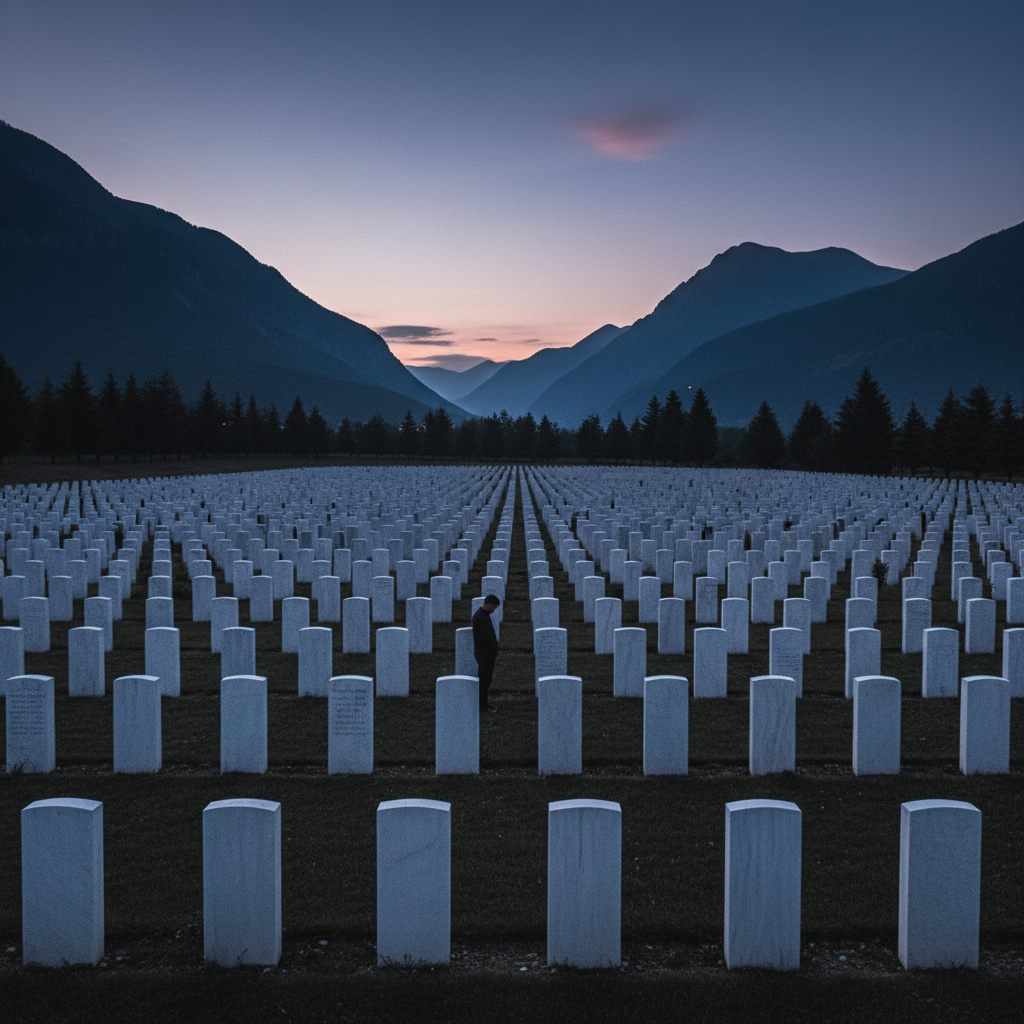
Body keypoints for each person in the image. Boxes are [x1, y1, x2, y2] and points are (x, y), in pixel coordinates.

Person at [472, 594, 500, 712]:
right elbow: (486, 638)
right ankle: (482, 706)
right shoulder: (480, 617)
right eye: (494, 607)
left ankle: (484, 704)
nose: (494, 610)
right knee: (484, 681)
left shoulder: (483, 615)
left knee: (486, 681)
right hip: (485, 655)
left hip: (486, 654)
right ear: (489, 604)